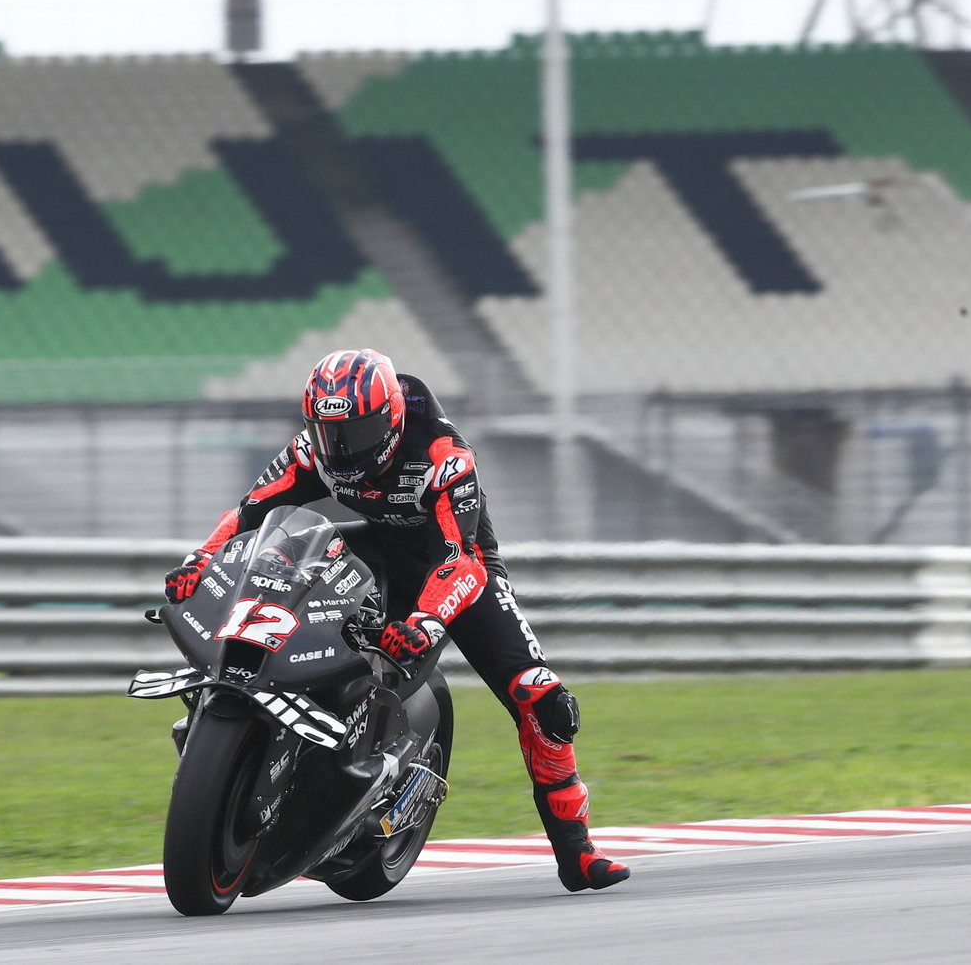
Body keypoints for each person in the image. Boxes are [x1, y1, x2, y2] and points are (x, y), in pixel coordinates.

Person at [164, 348, 630, 892]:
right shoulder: (311, 451)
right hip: (376, 549)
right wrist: (201, 561)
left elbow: (460, 559)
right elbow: (250, 511)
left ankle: (576, 851)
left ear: (390, 419)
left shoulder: (443, 455)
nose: (341, 448)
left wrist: (426, 623)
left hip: (454, 569)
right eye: (329, 432)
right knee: (282, 553)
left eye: (355, 433)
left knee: (543, 698)